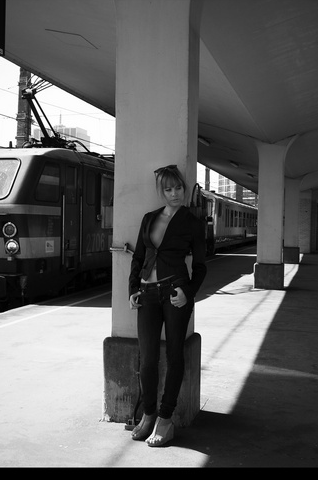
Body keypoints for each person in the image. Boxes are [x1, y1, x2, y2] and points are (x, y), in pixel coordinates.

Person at [127, 164, 207, 447]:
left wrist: (188, 292)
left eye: (179, 188)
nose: (174, 194)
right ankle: (148, 415)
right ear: (161, 191)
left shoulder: (192, 222)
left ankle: (165, 419)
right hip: (147, 294)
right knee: (147, 359)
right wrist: (133, 289)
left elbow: (200, 267)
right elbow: (139, 257)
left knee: (174, 356)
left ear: (184, 188)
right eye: (168, 189)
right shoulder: (149, 219)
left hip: (176, 294)